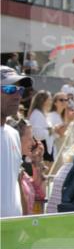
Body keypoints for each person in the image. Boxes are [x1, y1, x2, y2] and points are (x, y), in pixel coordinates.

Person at [2, 66, 33, 217]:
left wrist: (25, 221)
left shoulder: (13, 134)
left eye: (19, 90)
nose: (17, 96)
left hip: (12, 231)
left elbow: (17, 180)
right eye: (9, 89)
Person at [12, 118, 46, 214]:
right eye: (30, 138)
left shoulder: (22, 171)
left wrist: (37, 162)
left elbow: (41, 194)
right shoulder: (11, 169)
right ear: (17, 138)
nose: (34, 143)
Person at [26, 89, 53, 162]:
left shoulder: (42, 114)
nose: (51, 102)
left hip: (44, 149)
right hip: (39, 151)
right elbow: (37, 134)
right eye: (49, 99)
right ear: (43, 101)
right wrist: (50, 131)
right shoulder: (37, 114)